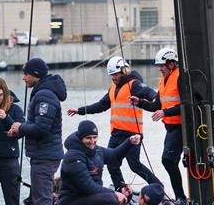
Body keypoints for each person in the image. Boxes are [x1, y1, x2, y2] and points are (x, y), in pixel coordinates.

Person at [66, 56, 161, 189]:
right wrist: (79, 110)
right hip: (116, 134)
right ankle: (121, 189)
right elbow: (100, 105)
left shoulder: (134, 84)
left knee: (134, 165)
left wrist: (156, 100)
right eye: (111, 75)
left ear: (124, 71)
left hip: (132, 134)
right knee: (111, 163)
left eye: (116, 74)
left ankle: (158, 186)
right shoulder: (112, 89)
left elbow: (151, 94)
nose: (113, 78)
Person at [7, 58, 67, 205]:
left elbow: (42, 128)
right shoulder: (43, 93)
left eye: (26, 74)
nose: (23, 77)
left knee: (41, 201)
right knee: (41, 199)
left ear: (36, 74)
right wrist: (19, 129)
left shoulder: (45, 96)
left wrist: (20, 127)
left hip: (46, 155)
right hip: (43, 154)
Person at [58, 120, 138, 205]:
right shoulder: (73, 157)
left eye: (95, 137)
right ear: (80, 138)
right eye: (88, 138)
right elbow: (87, 187)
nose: (92, 141)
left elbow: (114, 156)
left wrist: (129, 142)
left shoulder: (97, 151)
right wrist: (115, 194)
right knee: (111, 198)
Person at [130, 47, 187, 205]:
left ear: (171, 64)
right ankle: (181, 198)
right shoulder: (163, 80)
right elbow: (157, 105)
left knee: (168, 160)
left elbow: (186, 104)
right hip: (170, 127)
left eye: (162, 65)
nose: (160, 69)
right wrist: (140, 102)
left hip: (181, 127)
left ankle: (181, 198)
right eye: (159, 66)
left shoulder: (181, 78)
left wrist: (165, 112)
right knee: (169, 161)